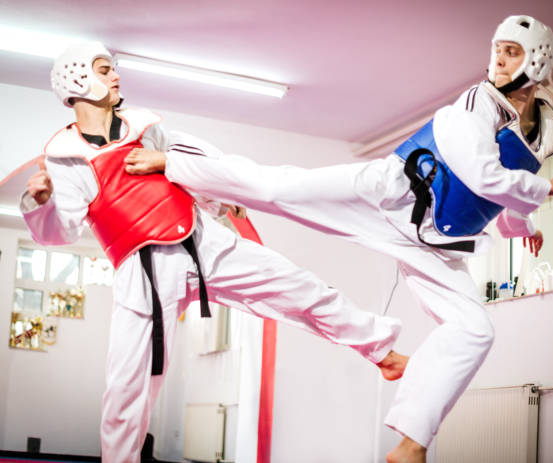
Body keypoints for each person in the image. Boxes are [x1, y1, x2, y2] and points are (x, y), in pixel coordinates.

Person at [126, 15, 553, 463]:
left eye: (511, 52)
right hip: (389, 194)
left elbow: (505, 203)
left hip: (433, 243)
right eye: (497, 48)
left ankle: (411, 443)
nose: (498, 60)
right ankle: (175, 164)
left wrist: (528, 227)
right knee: (276, 189)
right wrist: (548, 190)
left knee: (476, 329)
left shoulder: (538, 137)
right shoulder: (477, 102)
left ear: (537, 62)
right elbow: (483, 174)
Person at [21, 42, 407, 463]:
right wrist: (40, 204)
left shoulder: (147, 128)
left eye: (113, 69)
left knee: (301, 286)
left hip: (204, 243)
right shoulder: (66, 159)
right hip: (143, 273)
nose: (115, 77)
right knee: (126, 389)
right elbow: (59, 233)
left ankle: (380, 350)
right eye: (103, 69)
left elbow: (200, 165)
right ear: (77, 79)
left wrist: (210, 192)